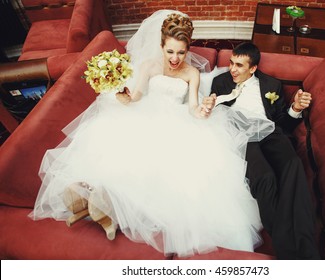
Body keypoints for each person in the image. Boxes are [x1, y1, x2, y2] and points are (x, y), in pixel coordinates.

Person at [29, 10, 275, 257]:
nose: (175, 58)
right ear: (161, 46)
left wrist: (203, 111)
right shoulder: (149, 66)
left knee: (163, 165)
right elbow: (136, 96)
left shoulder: (191, 74)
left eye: (181, 52)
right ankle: (95, 198)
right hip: (145, 113)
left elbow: (192, 108)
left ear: (188, 49)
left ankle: (107, 204)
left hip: (176, 122)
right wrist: (125, 97)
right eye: (170, 51)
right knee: (123, 149)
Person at [202, 42, 320, 260]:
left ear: (253, 68)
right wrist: (210, 105)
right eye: (231, 63)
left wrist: (295, 109)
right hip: (242, 135)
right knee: (265, 178)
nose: (233, 70)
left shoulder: (272, 85)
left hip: (270, 132)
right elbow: (215, 115)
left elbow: (282, 123)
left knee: (293, 166)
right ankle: (290, 254)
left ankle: (308, 247)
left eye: (239, 65)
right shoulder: (221, 82)